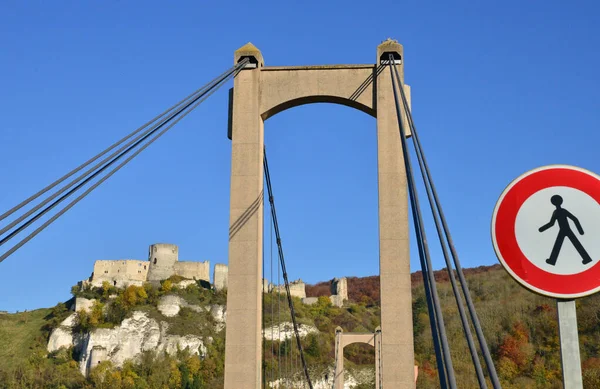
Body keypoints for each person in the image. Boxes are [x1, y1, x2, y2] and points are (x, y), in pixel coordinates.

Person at [539, 195, 592, 265]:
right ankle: (586, 258)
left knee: (559, 244)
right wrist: (580, 231)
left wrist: (542, 229)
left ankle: (552, 260)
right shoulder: (562, 211)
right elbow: (574, 219)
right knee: (574, 243)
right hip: (566, 229)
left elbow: (551, 223)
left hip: (564, 230)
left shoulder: (556, 212)